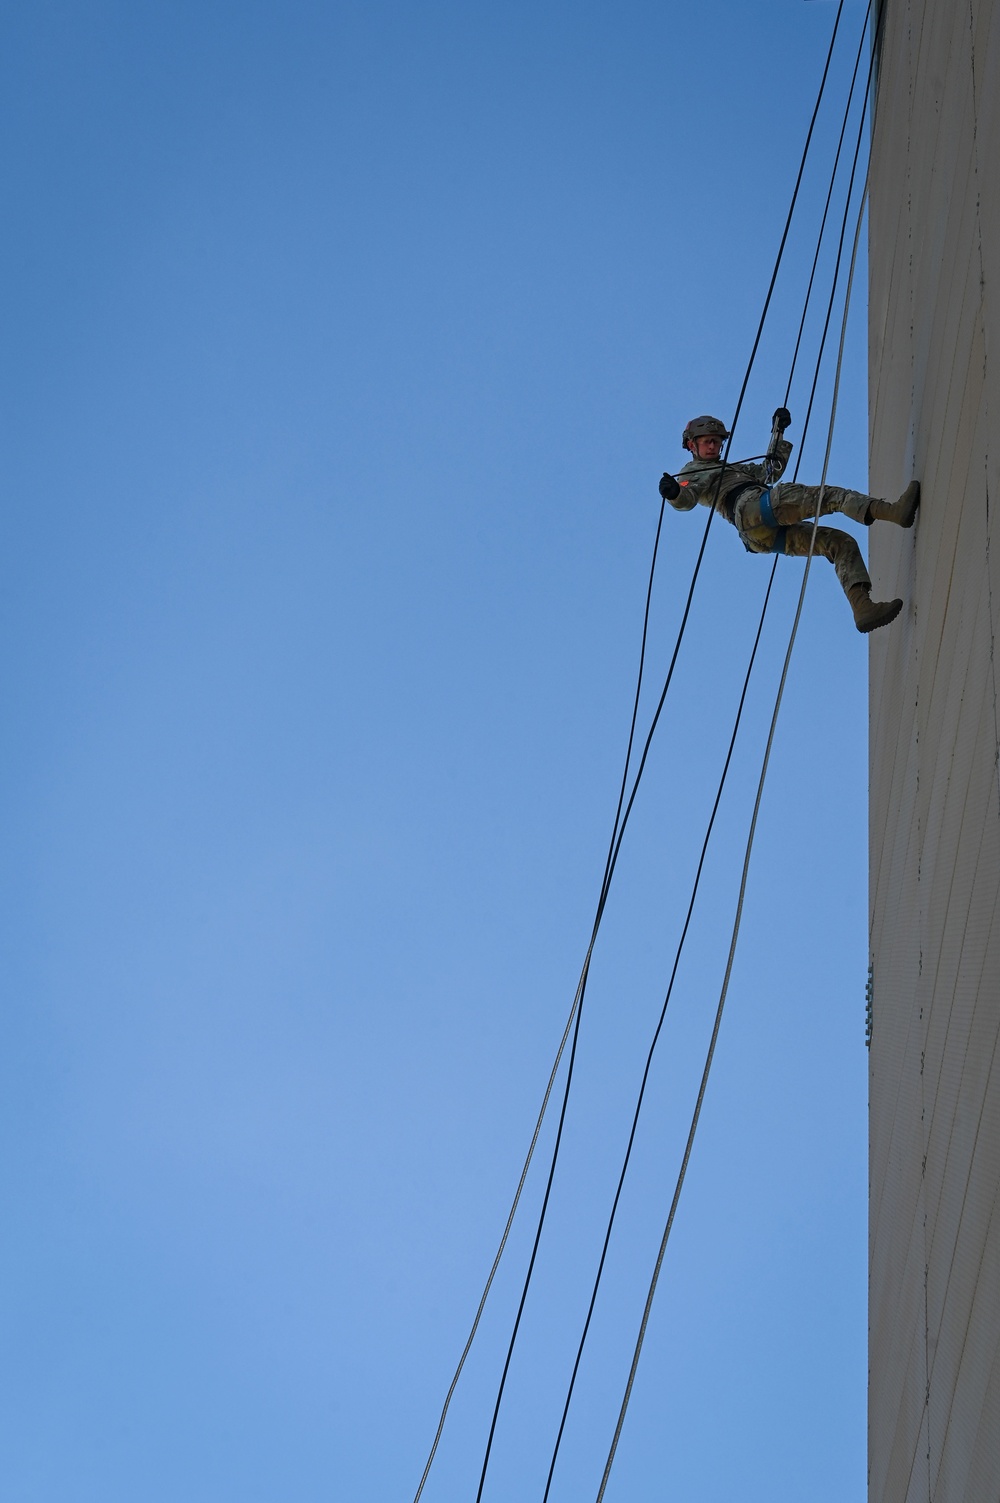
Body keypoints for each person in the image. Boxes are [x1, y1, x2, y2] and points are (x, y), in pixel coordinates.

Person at [659, 412, 920, 633]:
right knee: (830, 497)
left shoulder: (733, 470)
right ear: (692, 446)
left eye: (716, 442)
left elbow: (769, 472)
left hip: (760, 536)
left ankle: (863, 608)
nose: (713, 447)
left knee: (839, 542)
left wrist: (777, 432)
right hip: (753, 508)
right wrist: (674, 493)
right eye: (706, 442)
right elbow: (687, 499)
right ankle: (894, 512)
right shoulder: (693, 471)